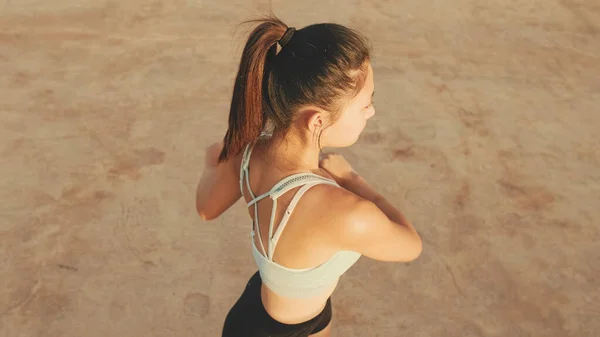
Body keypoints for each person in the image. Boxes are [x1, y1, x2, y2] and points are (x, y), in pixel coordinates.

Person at [195, 15, 423, 337]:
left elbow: (207, 209)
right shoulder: (347, 212)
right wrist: (354, 181)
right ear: (316, 120)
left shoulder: (245, 155)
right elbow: (410, 245)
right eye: (365, 104)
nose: (371, 111)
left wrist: (214, 158)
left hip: (262, 312)